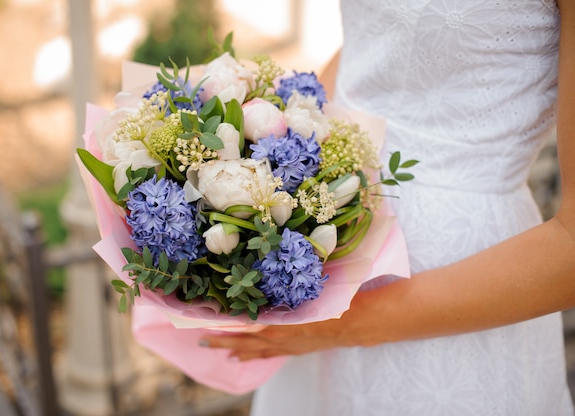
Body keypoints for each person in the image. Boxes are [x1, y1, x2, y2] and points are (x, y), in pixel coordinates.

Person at [201, 0, 575, 414]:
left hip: (465, 292)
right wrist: (278, 158)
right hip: (325, 250)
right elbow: (383, 44)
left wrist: (338, 325)